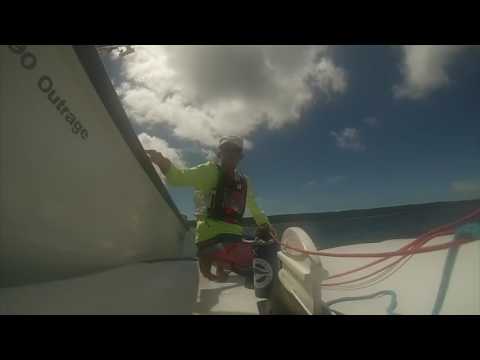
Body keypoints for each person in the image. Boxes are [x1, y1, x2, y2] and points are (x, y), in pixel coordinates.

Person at [146, 136, 276, 284]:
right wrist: (265, 225)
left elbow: (177, 178)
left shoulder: (208, 170)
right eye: (231, 151)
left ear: (219, 153)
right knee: (265, 249)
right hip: (230, 239)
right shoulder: (243, 181)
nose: (232, 155)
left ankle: (219, 260)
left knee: (248, 249)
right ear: (240, 157)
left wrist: (161, 161)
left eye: (233, 151)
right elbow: (254, 207)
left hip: (209, 240)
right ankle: (229, 262)